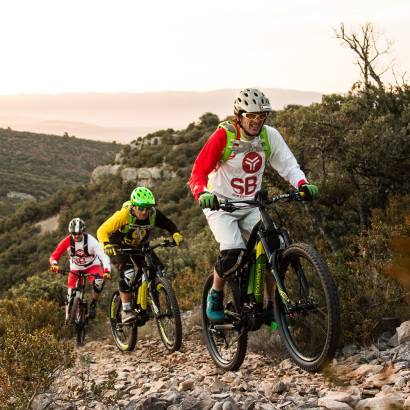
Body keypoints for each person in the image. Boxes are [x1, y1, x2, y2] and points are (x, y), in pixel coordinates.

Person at [189, 87, 318, 323]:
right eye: (252, 116)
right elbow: (197, 173)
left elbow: (288, 165)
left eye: (262, 116)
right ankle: (215, 294)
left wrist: (302, 183)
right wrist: (202, 193)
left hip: (251, 204)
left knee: (274, 247)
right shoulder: (224, 136)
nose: (257, 121)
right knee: (233, 254)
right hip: (221, 205)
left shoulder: (269, 136)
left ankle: (269, 305)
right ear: (239, 115)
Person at [97, 186, 183, 323]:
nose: (144, 212)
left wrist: (175, 233)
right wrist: (106, 245)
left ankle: (146, 301)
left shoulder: (153, 214)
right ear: (134, 206)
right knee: (128, 273)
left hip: (139, 245)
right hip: (118, 246)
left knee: (156, 268)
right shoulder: (125, 215)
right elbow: (102, 230)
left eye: (147, 208)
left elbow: (167, 223)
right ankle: (125, 310)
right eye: (141, 208)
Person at [49, 217, 111, 321]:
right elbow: (55, 254)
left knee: (99, 283)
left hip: (92, 266)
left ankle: (93, 304)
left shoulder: (91, 241)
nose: (76, 236)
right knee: (70, 294)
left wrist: (107, 271)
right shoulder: (67, 241)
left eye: (79, 233)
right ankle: (68, 317)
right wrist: (54, 264)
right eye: (74, 233)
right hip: (75, 268)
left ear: (83, 231)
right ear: (71, 233)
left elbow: (104, 256)